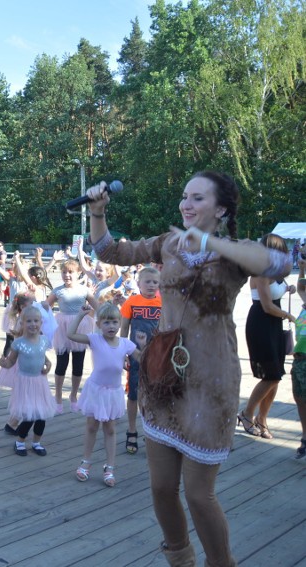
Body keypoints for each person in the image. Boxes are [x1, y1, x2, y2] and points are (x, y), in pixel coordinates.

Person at [86, 170, 291, 566]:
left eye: (197, 198)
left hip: (211, 384)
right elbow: (111, 251)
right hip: (164, 379)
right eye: (184, 197)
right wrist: (98, 212)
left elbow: (280, 263)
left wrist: (210, 241)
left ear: (221, 209)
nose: (186, 204)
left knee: (199, 494)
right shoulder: (168, 244)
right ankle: (180, 558)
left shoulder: (233, 251)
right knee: (162, 487)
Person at [69, 303, 145, 487]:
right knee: (92, 426)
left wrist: (142, 345)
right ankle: (85, 462)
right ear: (99, 324)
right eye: (106, 322)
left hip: (113, 392)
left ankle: (110, 467)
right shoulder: (95, 339)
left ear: (119, 324)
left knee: (110, 429)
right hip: (96, 390)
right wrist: (80, 315)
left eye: (114, 322)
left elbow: (142, 359)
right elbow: (70, 335)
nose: (111, 326)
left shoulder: (125, 343)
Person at [238, 234, 295, 439]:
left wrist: (289, 288)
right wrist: (289, 315)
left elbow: (276, 293)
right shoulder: (260, 273)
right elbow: (267, 306)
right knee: (271, 375)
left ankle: (262, 419)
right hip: (261, 323)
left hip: (274, 324)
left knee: (276, 376)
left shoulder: (276, 272)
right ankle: (246, 413)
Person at [0, 305, 54, 456]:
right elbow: (11, 362)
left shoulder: (44, 341)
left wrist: (48, 365)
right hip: (25, 383)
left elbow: (41, 356)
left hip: (40, 382)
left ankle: (36, 442)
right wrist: (3, 363)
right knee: (29, 415)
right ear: (22, 323)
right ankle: (20, 441)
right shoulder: (18, 343)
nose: (33, 324)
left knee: (41, 416)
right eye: (29, 321)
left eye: (36, 321)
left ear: (41, 323)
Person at [43, 259, 98, 414]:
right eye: (64, 272)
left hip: (81, 325)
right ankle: (58, 396)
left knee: (78, 363)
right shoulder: (57, 290)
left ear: (78, 273)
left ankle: (73, 395)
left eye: (70, 272)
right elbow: (46, 306)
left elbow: (98, 306)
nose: (67, 275)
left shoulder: (84, 290)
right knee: (62, 362)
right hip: (62, 327)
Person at [119, 266, 161, 455]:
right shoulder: (132, 302)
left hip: (158, 355)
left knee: (156, 393)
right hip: (135, 354)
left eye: (155, 282)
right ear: (138, 283)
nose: (151, 285)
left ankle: (154, 432)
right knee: (134, 393)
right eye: (148, 282)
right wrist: (122, 353)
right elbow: (124, 329)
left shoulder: (164, 303)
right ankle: (132, 430)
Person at [293, 258, 306, 459]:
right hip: (299, 359)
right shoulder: (304, 305)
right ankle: (305, 436)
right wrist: (302, 269)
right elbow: (300, 287)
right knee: (300, 399)